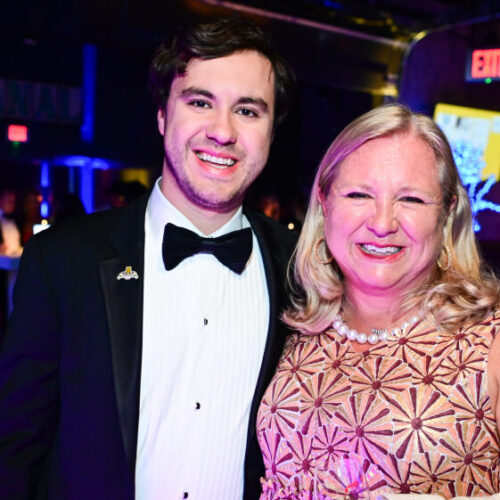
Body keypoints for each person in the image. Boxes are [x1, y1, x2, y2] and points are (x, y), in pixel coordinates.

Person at [0, 17, 296, 500]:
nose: (222, 131)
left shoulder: (299, 271)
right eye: (200, 102)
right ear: (162, 115)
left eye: (247, 110)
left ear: (270, 131)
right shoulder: (63, 261)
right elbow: (14, 451)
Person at [257, 104, 500, 498]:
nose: (383, 223)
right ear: (324, 202)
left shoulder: (490, 342)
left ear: (447, 212)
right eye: (359, 194)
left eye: (412, 200)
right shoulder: (293, 331)